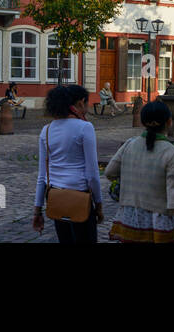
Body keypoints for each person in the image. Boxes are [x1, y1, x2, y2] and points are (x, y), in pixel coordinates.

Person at [105, 99, 174, 243]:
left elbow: (110, 172)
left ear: (143, 123)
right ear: (169, 122)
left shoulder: (130, 144)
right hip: (159, 221)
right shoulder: (172, 152)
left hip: (128, 217)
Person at [33, 84, 102, 243]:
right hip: (80, 197)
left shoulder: (47, 130)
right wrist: (98, 203)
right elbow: (92, 174)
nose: (86, 109)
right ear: (79, 103)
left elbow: (42, 175)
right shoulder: (85, 128)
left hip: (56, 197)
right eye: (86, 104)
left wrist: (37, 211)